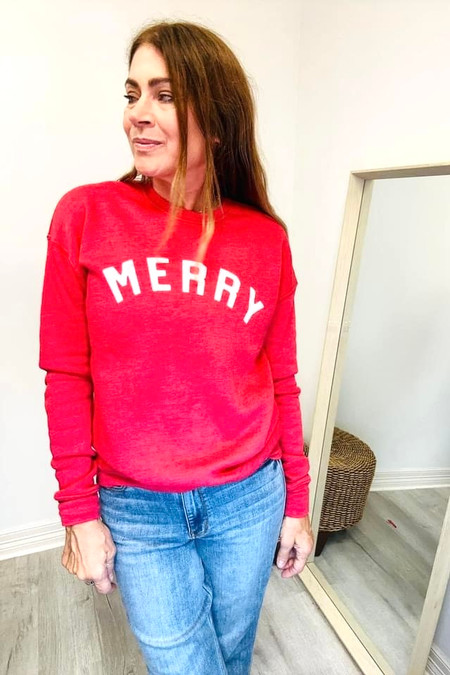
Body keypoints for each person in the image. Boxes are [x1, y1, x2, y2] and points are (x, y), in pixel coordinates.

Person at [39, 20, 314, 675]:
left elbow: (281, 379)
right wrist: (79, 513)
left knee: (230, 652)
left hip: (249, 498)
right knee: (182, 663)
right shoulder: (86, 216)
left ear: (215, 122)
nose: (137, 113)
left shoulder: (265, 240)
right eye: (132, 93)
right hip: (138, 506)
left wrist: (298, 505)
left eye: (164, 95)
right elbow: (66, 376)